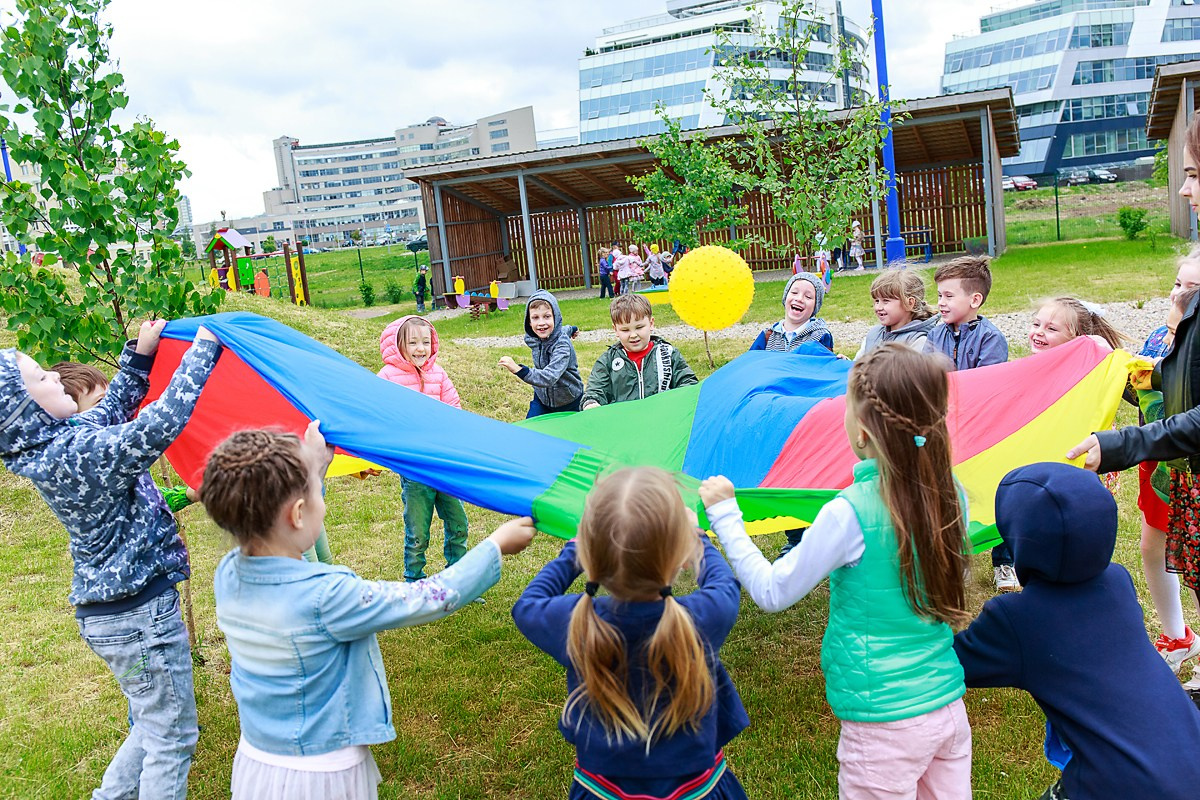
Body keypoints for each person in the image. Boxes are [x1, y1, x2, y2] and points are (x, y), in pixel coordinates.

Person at [206, 423, 535, 800]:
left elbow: (280, 509)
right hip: (321, 778)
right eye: (318, 492)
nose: (322, 499)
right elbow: (427, 597)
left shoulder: (229, 573)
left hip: (257, 764)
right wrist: (493, 546)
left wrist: (312, 465)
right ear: (297, 514)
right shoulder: (328, 597)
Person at [702, 343, 972, 799]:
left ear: (862, 432)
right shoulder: (952, 492)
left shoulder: (850, 513)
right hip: (947, 708)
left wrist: (726, 517)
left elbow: (772, 591)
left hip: (883, 725)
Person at [0, 320, 221, 800]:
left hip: (115, 614)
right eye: (42, 379)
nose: (56, 378)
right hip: (138, 614)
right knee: (173, 739)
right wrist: (205, 351)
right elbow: (155, 426)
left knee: (151, 723)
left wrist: (139, 357)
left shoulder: (58, 442)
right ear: (25, 411)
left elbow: (116, 405)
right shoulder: (77, 452)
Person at [953, 463, 1200, 800]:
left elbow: (949, 664)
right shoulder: (1118, 582)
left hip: (1120, 783)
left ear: (1017, 536)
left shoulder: (1016, 618)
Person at [512, 467, 749, 800]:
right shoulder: (702, 618)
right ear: (679, 556)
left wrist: (574, 553)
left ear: (591, 558)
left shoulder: (574, 623)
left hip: (601, 791)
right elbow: (723, 584)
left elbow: (527, 604)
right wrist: (696, 537)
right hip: (698, 790)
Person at [378, 315, 471, 584]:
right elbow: (378, 415)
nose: (421, 348)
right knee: (418, 531)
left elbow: (455, 410)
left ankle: (458, 578)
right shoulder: (387, 378)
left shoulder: (438, 374)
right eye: (413, 342)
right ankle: (414, 580)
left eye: (426, 342)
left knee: (458, 523)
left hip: (443, 464)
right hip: (415, 468)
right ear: (398, 345)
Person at [581, 294, 698, 409]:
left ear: (651, 324)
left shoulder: (667, 353)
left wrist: (679, 399)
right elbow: (596, 389)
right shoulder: (608, 360)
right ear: (615, 330)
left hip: (662, 418)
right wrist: (591, 402)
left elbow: (688, 381)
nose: (633, 335)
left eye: (639, 327)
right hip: (623, 423)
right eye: (625, 330)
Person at [498, 290, 584, 418]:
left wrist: (519, 369)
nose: (541, 323)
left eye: (547, 316)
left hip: (569, 400)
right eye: (535, 317)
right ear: (529, 322)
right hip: (542, 398)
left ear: (556, 317)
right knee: (531, 430)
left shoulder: (562, 345)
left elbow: (549, 377)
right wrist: (573, 329)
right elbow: (564, 329)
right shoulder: (534, 339)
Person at [924, 255, 1008, 371]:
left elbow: (987, 382)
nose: (941, 302)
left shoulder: (990, 338)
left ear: (975, 300)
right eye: (939, 295)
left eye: (949, 296)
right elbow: (924, 378)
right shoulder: (935, 335)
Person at [856, 269, 939, 357]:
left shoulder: (918, 341)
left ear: (909, 303)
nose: (878, 307)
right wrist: (846, 362)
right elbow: (859, 365)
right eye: (876, 301)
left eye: (886, 301)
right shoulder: (874, 334)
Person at [749, 272, 833, 353]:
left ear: (815, 306)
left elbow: (826, 364)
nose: (799, 299)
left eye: (808, 297)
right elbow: (750, 362)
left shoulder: (819, 336)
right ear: (785, 297)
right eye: (794, 292)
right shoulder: (768, 336)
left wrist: (841, 361)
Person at [1028, 296, 1128, 353]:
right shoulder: (1029, 367)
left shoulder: (1081, 373)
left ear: (1077, 338)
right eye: (1036, 324)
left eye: (1051, 328)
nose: (1039, 332)